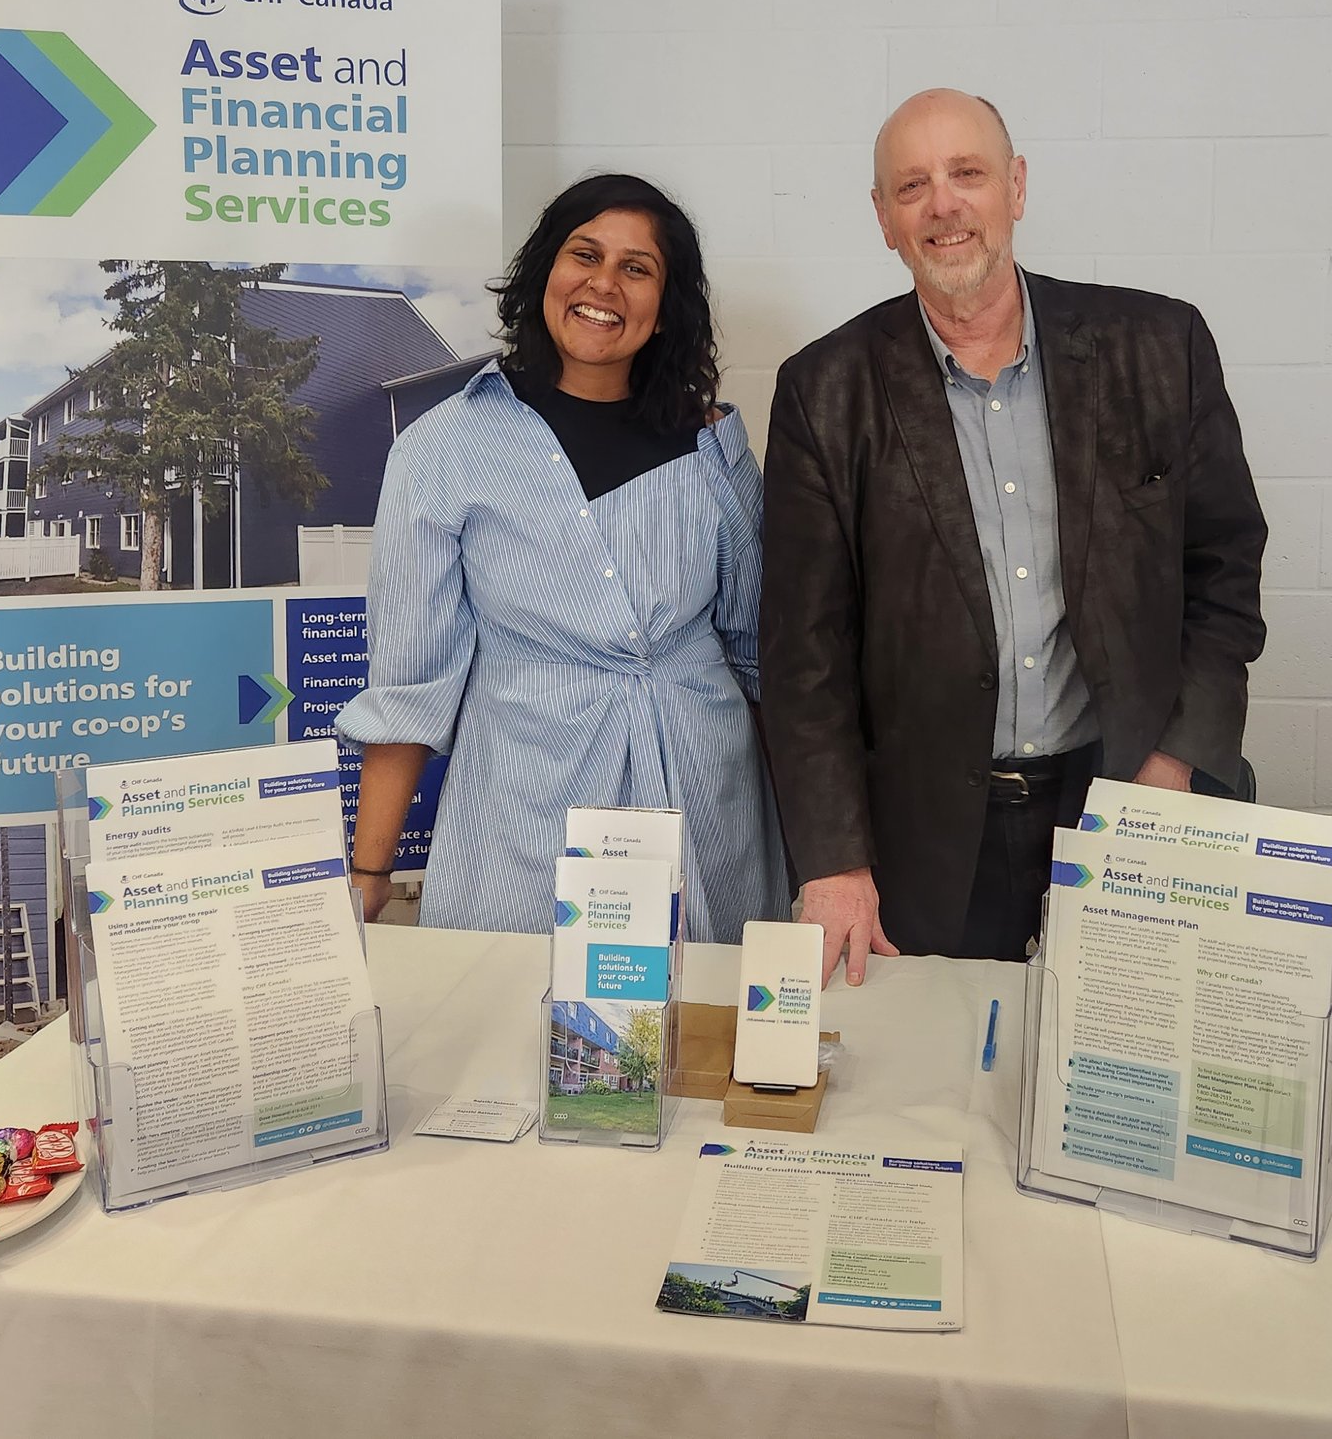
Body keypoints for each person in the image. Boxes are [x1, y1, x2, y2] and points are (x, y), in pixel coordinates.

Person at [760, 89, 1266, 983]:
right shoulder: (824, 391)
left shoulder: (1160, 344)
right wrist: (833, 859)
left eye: (968, 173)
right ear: (883, 218)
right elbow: (804, 655)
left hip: (1130, 797)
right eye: (911, 185)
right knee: (928, 1096)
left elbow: (1224, 569)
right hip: (924, 835)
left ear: (1017, 187)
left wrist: (1175, 758)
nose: (943, 204)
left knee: (1120, 1095)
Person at [337, 174, 786, 941]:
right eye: (585, 254)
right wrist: (368, 875)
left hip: (707, 807)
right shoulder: (445, 448)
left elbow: (760, 661)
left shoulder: (712, 443)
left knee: (704, 1040)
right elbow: (410, 686)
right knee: (511, 1033)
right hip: (523, 813)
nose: (603, 284)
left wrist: (832, 858)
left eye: (637, 267)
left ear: (663, 302)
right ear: (546, 268)